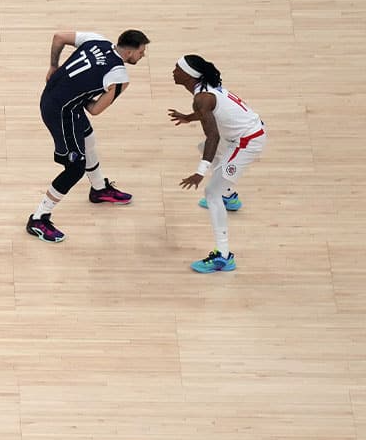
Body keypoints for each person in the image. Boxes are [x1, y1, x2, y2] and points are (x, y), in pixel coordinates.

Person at [26, 29, 150, 243]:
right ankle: (38, 218)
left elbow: (59, 37)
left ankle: (99, 188)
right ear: (129, 53)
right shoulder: (119, 76)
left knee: (88, 138)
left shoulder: (98, 40)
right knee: (75, 169)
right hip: (62, 113)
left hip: (51, 95)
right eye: (141, 52)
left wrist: (54, 66)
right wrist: (82, 94)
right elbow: (95, 110)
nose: (143, 56)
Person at [169, 54, 266, 273]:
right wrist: (188, 117)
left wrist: (199, 172)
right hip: (245, 132)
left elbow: (214, 137)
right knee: (204, 150)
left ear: (189, 75)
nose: (173, 71)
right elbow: (208, 114)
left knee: (212, 192)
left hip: (247, 141)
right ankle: (229, 195)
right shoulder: (205, 94)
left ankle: (223, 257)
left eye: (177, 68)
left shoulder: (202, 98)